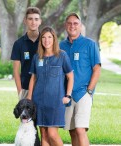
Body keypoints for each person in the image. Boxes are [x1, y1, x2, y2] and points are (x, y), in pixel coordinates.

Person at [27, 26, 74, 146]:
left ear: (54, 39)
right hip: (39, 101)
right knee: (44, 134)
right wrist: (29, 98)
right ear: (41, 40)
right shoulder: (37, 57)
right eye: (43, 37)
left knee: (52, 134)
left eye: (49, 37)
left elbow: (70, 77)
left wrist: (68, 95)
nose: (46, 40)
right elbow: (33, 78)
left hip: (55, 102)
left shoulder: (62, 56)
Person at [59, 13, 101, 146]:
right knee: (72, 130)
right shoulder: (60, 46)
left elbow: (97, 69)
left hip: (83, 94)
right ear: (66, 25)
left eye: (75, 23)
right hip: (67, 94)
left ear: (81, 26)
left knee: (80, 129)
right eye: (69, 23)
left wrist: (89, 91)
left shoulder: (90, 44)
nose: (72, 26)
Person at [11, 7, 42, 100]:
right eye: (30, 19)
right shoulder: (18, 44)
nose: (33, 22)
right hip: (25, 89)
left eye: (36, 19)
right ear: (25, 21)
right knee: (26, 115)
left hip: (43, 88)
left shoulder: (45, 41)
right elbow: (16, 71)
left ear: (40, 21)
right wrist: (20, 92)